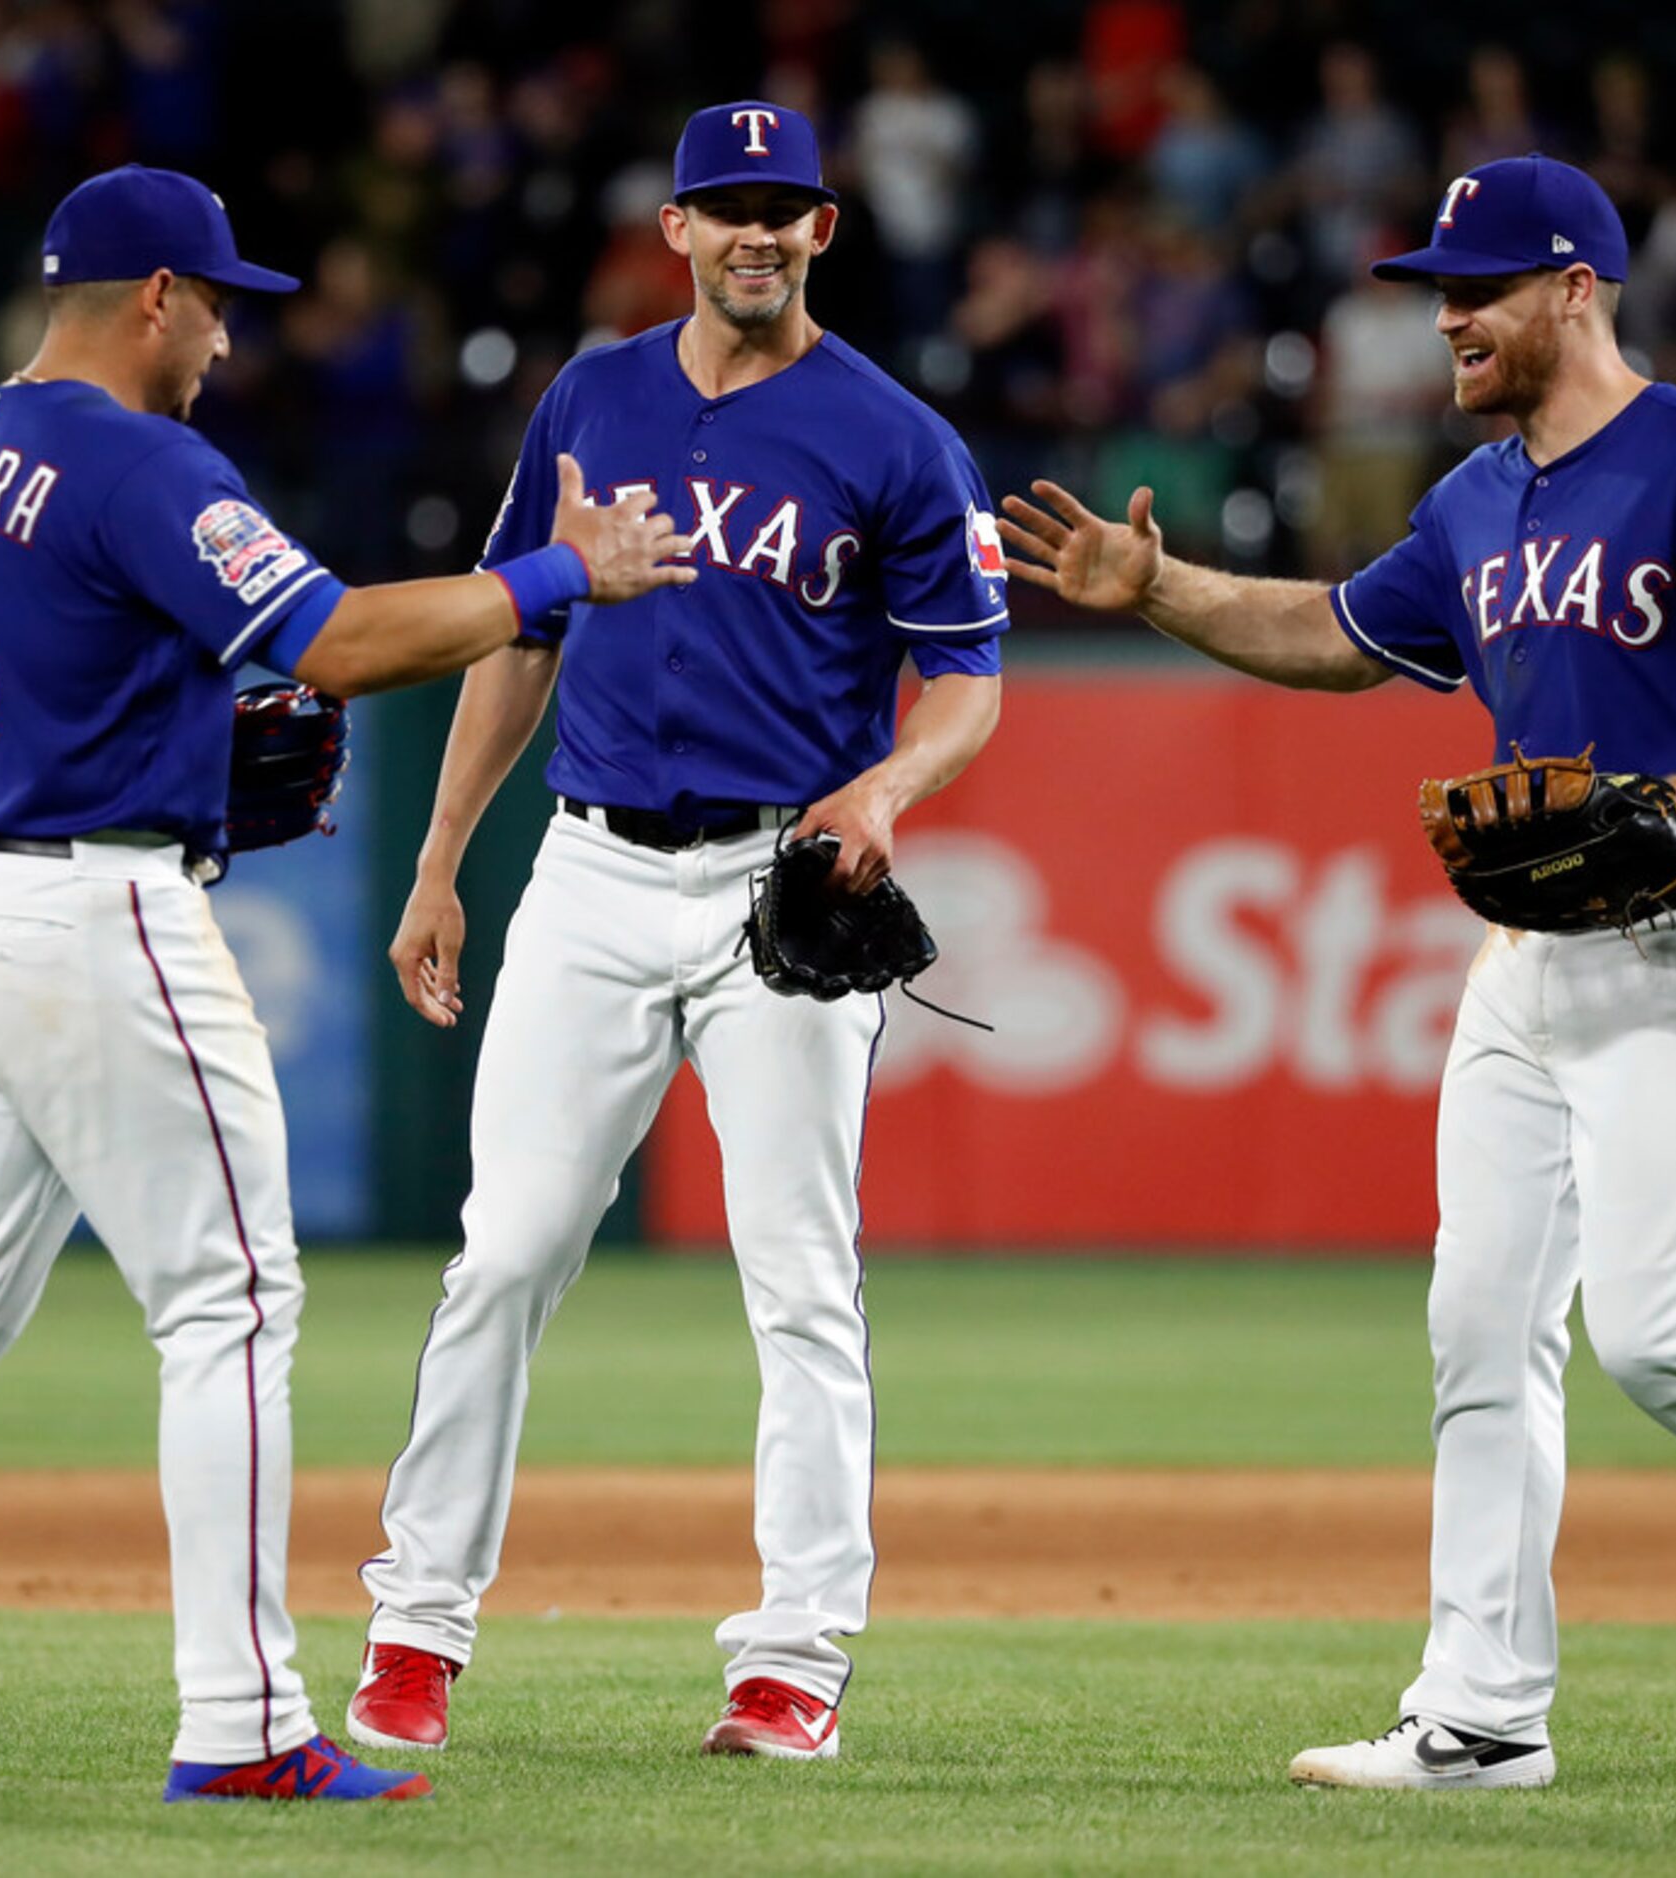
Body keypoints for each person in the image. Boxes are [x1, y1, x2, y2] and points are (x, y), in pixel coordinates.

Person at [0, 163, 692, 1806]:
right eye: (214, 302)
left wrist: (161, 735)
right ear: (150, 297)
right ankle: (248, 1723)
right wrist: (563, 578)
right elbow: (335, 642)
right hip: (82, 907)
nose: (222, 334)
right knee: (234, 1298)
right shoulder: (138, 458)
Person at [1001, 154, 1676, 1793]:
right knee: (1482, 1320)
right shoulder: (1473, 500)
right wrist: (1158, 588)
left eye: (1478, 289)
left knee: (1659, 1334)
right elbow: (1335, 633)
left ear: (1576, 288)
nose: (1446, 318)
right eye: (1437, 289)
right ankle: (1480, 1709)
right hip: (1529, 963)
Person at [345, 101, 1007, 1764]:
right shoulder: (593, 394)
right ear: (679, 226)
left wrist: (891, 788)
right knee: (503, 1251)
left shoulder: (896, 436)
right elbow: (518, 631)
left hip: (782, 888)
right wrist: (441, 858)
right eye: (730, 207)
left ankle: (794, 1660)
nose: (756, 232)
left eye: (785, 207)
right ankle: (415, 1627)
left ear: (825, 232)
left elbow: (971, 679)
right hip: (587, 871)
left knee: (798, 1273)